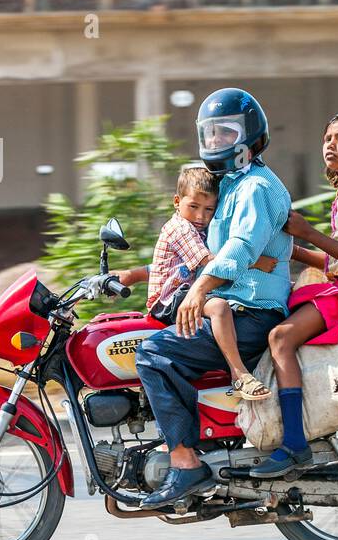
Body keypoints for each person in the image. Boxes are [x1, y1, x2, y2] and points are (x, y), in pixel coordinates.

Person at [133, 88, 293, 511]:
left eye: (227, 133)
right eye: (211, 133)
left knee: (152, 354)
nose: (217, 142)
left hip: (251, 313)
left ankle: (185, 463)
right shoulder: (232, 186)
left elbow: (240, 247)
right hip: (239, 308)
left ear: (250, 136)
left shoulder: (255, 187)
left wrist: (200, 290)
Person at [249, 110, 338, 480]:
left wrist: (308, 233)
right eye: (328, 138)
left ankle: (295, 444)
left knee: (280, 337)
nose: (331, 144)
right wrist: (290, 251)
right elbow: (337, 255)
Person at [113, 163, 275, 400]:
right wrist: (255, 261)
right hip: (168, 301)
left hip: (180, 292)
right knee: (219, 307)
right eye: (194, 206)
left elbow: (173, 268)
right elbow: (208, 261)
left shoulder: (194, 228)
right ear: (177, 202)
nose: (202, 216)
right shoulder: (181, 229)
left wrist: (133, 275)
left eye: (210, 209)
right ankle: (239, 374)